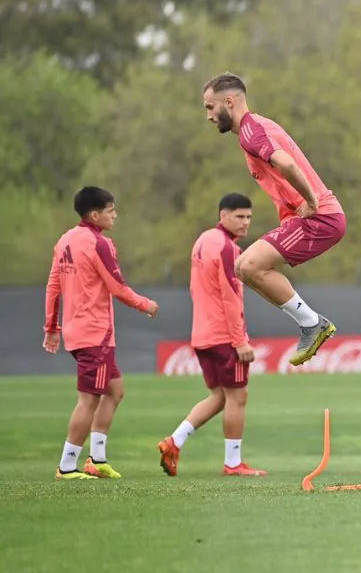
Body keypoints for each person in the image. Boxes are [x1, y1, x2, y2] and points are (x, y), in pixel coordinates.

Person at [201, 72, 343, 367]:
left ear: (229, 101)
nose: (209, 116)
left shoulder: (252, 132)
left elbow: (287, 164)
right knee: (243, 266)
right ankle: (311, 322)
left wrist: (312, 202)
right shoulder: (254, 130)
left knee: (248, 265)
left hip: (321, 218)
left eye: (210, 107)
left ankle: (312, 323)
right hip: (313, 217)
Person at [44, 187, 159, 480]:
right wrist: (144, 304)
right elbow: (117, 287)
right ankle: (67, 466)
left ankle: (97, 458)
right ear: (95, 215)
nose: (115, 215)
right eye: (111, 210)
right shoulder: (99, 243)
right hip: (94, 333)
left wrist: (52, 327)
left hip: (78, 331)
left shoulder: (65, 240)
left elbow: (53, 286)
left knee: (115, 390)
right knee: (88, 400)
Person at [158, 193, 267, 478]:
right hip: (223, 335)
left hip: (202, 332)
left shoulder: (203, 240)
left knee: (220, 397)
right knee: (238, 397)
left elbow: (196, 288)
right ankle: (233, 463)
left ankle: (174, 441)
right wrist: (240, 340)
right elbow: (231, 297)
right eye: (240, 216)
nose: (246, 223)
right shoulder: (228, 248)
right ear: (223, 216)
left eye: (249, 217)